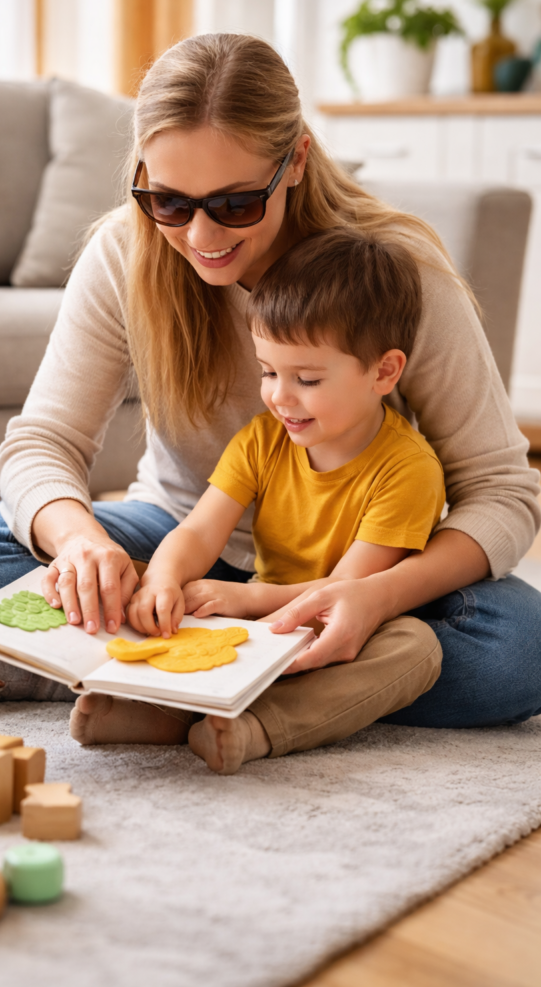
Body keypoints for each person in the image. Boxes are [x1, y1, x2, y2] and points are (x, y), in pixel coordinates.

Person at [0, 34, 541, 754]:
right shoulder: (125, 252)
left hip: (352, 568)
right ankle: (258, 679)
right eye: (169, 201)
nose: (201, 235)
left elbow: (499, 489)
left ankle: (152, 676)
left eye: (236, 203)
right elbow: (42, 442)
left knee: (518, 651)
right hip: (181, 545)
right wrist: (82, 545)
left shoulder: (393, 273)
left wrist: (370, 597)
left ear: (296, 161)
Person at [117, 228, 445, 773]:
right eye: (268, 372)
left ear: (384, 372)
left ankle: (258, 728)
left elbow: (344, 591)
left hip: (344, 632)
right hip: (261, 619)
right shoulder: (262, 439)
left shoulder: (408, 469)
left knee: (417, 647)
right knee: (132, 577)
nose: (279, 396)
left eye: (308, 379)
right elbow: (200, 532)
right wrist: (163, 582)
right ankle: (153, 708)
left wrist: (246, 600)